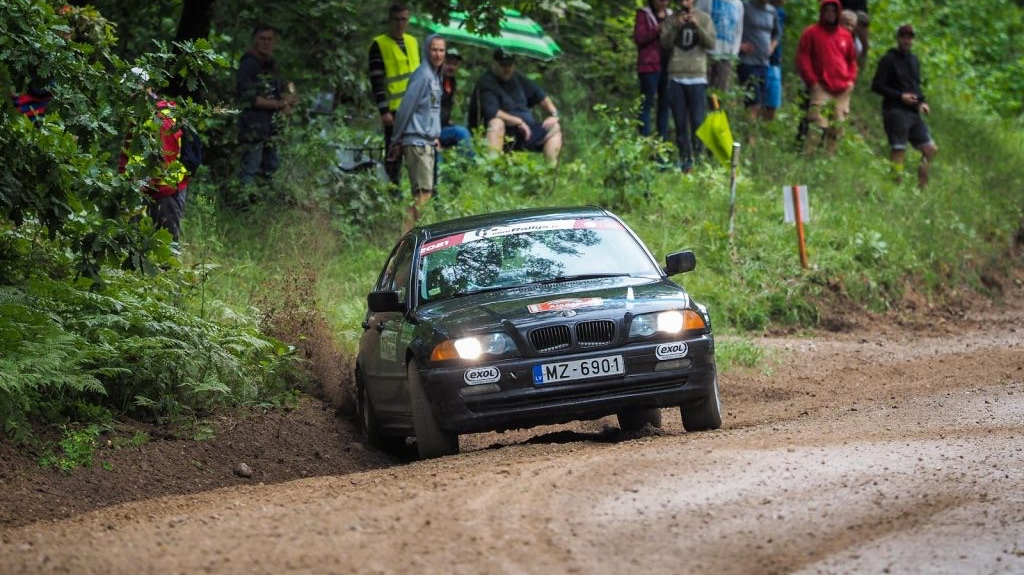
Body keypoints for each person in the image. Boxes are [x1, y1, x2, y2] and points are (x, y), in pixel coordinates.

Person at [118, 69, 190, 245]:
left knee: (167, 248)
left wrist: (138, 188)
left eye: (131, 89)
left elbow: (163, 160)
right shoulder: (139, 114)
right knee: (132, 245)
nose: (128, 94)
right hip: (142, 188)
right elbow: (128, 152)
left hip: (165, 191)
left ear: (146, 88)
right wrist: (123, 180)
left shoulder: (161, 117)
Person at [871, 24, 938, 188]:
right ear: (898, 38)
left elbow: (915, 86)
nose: (906, 40)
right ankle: (895, 188)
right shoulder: (888, 59)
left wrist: (922, 102)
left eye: (910, 37)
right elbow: (877, 85)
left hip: (913, 112)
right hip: (895, 110)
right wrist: (900, 96)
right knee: (899, 149)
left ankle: (922, 186)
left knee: (930, 149)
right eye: (903, 37)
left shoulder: (914, 60)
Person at [390, 35, 445, 232]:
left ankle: (409, 236)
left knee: (423, 194)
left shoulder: (435, 77)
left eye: (441, 50)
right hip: (417, 143)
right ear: (426, 51)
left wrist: (434, 135)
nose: (438, 54)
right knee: (423, 194)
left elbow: (429, 112)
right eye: (434, 50)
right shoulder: (422, 76)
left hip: (427, 142)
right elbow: (405, 109)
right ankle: (404, 237)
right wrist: (396, 140)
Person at [470, 49, 563, 165]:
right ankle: (492, 167)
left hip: (525, 132)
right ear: (494, 64)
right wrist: (518, 122)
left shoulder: (517, 77)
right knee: (496, 122)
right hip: (502, 133)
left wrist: (554, 115)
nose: (507, 69)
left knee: (554, 127)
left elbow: (541, 96)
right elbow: (492, 112)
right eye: (503, 65)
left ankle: (550, 171)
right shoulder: (486, 83)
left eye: (510, 65)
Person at [237, 24, 296, 190]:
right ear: (255, 40)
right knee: (250, 168)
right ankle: (245, 200)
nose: (266, 43)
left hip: (271, 127)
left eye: (269, 39)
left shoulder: (272, 65)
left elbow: (281, 90)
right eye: (262, 39)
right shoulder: (248, 64)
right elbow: (250, 98)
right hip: (253, 126)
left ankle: (265, 200)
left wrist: (287, 102)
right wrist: (279, 104)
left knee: (271, 167)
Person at [795, 0, 858, 154]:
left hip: (842, 88)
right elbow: (803, 58)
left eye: (833, 11)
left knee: (837, 126)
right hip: (821, 86)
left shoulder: (845, 36)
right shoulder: (811, 32)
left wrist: (851, 80)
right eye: (827, 10)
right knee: (817, 123)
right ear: (822, 12)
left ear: (838, 13)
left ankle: (829, 158)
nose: (830, 14)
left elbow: (851, 61)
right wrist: (812, 81)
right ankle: (807, 156)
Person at [659, 0, 715, 172]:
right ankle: (686, 162)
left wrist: (697, 26)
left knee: (698, 120)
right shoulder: (671, 19)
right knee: (680, 122)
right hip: (676, 75)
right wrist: (676, 26)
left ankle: (699, 158)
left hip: (697, 76)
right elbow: (664, 43)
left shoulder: (704, 18)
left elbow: (711, 43)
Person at [368, 3, 420, 186]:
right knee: (394, 154)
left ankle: (419, 191)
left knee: (416, 152)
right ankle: (392, 190)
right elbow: (376, 81)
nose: (400, 24)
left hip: (415, 109)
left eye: (404, 19)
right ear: (390, 20)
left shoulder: (412, 42)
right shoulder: (379, 45)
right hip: (394, 111)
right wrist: (384, 110)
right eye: (396, 20)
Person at [634, 0, 673, 139]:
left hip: (668, 65)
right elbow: (639, 38)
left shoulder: (671, 15)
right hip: (649, 65)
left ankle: (661, 142)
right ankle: (644, 140)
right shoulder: (644, 14)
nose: (663, 3)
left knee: (665, 104)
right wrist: (657, 29)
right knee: (647, 103)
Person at [737, 0, 780, 124]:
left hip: (764, 63)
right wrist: (738, 45)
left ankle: (752, 131)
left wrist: (772, 46)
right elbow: (732, 24)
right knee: (753, 103)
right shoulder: (745, 6)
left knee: (761, 103)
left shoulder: (771, 11)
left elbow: (777, 33)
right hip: (747, 62)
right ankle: (750, 134)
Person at [696, 0, 744, 93]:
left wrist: (734, 53)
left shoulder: (738, 4)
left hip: (726, 56)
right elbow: (697, 19)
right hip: (706, 53)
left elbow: (738, 30)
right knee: (702, 90)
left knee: (721, 92)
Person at [438, 47, 473, 157]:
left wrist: (447, 120)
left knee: (463, 132)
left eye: (455, 64)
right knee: (461, 133)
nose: (451, 67)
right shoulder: (434, 81)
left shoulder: (452, 82)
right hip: (428, 131)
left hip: (443, 127)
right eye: (448, 63)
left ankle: (466, 165)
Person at [763, 0, 786, 120]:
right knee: (757, 101)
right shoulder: (754, 8)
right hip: (757, 60)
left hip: (774, 61)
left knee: (772, 102)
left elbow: (778, 35)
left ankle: (766, 128)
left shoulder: (780, 13)